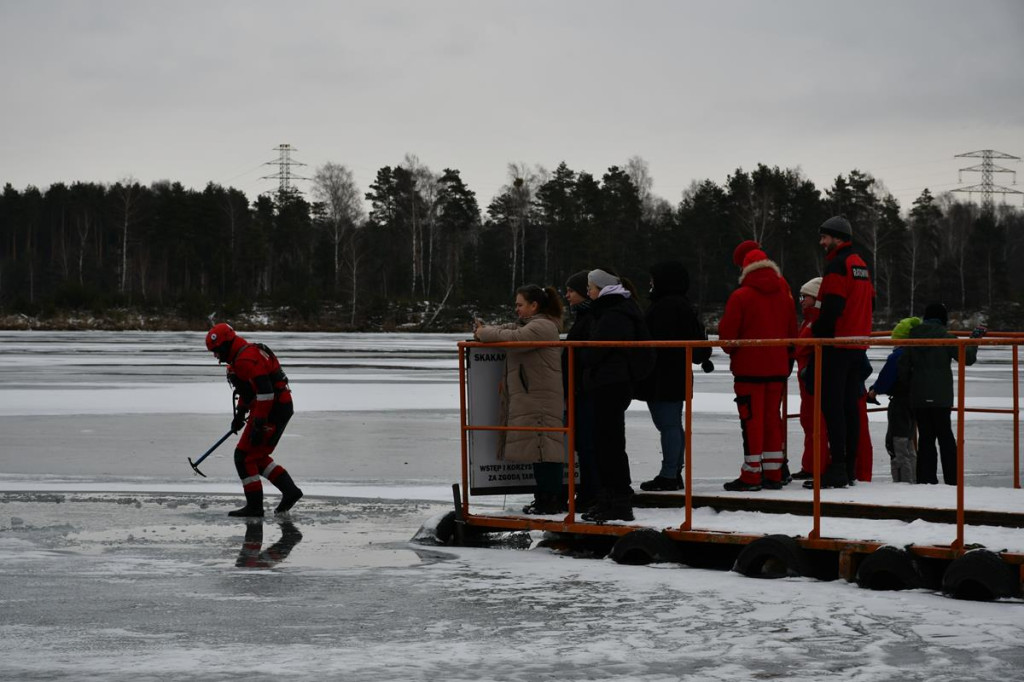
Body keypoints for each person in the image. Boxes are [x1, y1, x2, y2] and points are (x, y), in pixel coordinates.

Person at [475, 284, 566, 514]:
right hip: (534, 397)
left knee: (546, 449)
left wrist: (483, 333)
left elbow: (514, 338)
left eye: (520, 305)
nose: (516, 309)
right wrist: (486, 329)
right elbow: (509, 328)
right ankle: (544, 499)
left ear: (534, 306)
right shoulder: (535, 324)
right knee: (539, 450)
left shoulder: (543, 326)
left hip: (541, 399)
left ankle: (551, 501)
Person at [718, 248, 798, 492]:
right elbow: (792, 333)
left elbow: (727, 337)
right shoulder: (784, 296)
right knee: (772, 419)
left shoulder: (741, 296)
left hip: (749, 370)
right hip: (777, 370)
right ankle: (773, 472)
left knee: (752, 422)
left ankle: (752, 475)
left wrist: (735, 352)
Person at [804, 216, 874, 490]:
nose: (822, 242)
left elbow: (832, 306)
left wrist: (817, 332)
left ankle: (837, 469)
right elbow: (872, 301)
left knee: (833, 408)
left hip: (837, 344)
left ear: (836, 238)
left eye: (824, 237)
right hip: (858, 344)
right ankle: (848, 468)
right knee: (849, 408)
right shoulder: (861, 265)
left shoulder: (837, 265)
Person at [579, 267, 654, 522]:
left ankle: (617, 501)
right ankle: (612, 499)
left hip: (609, 384)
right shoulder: (620, 308)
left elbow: (596, 351)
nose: (587, 292)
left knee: (608, 445)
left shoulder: (614, 313)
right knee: (608, 444)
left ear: (601, 288)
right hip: (612, 382)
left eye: (590, 288)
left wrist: (585, 356)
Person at [205, 323, 303, 517]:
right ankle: (290, 492)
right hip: (276, 407)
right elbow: (248, 393)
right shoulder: (241, 356)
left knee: (243, 457)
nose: (216, 356)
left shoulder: (246, 359)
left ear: (226, 344)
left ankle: (255, 507)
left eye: (217, 351)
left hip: (273, 410)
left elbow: (265, 393)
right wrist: (240, 416)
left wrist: (258, 423)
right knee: (255, 457)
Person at [633, 260, 714, 491]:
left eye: (653, 280)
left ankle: (670, 473)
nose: (650, 284)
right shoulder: (681, 305)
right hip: (673, 374)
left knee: (668, 425)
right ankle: (673, 471)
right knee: (672, 425)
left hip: (662, 376)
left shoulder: (665, 306)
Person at [898, 303, 984, 485]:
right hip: (941, 397)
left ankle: (926, 480)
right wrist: (974, 339)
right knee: (945, 437)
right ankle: (953, 480)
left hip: (919, 397)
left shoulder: (912, 337)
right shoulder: (946, 337)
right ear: (942, 318)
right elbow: (966, 358)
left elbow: (903, 368)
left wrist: (910, 389)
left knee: (925, 438)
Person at [562, 270, 599, 509]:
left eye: (571, 291)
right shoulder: (584, 316)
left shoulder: (591, 318)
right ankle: (588, 492)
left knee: (588, 443)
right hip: (579, 389)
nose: (566, 295)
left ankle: (591, 493)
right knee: (583, 443)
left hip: (586, 390)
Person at [867, 317, 921, 483]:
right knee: (909, 443)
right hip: (915, 402)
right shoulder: (919, 353)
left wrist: (874, 392)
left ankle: (902, 483)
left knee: (896, 444)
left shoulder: (897, 356)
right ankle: (912, 479)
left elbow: (885, 380)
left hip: (900, 403)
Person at [792, 277, 830, 480]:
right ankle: (810, 465)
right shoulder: (808, 321)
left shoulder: (818, 322)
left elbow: (804, 347)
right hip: (806, 382)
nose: (801, 301)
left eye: (804, 296)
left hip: (813, 381)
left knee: (817, 423)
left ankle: (818, 466)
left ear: (815, 297)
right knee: (808, 421)